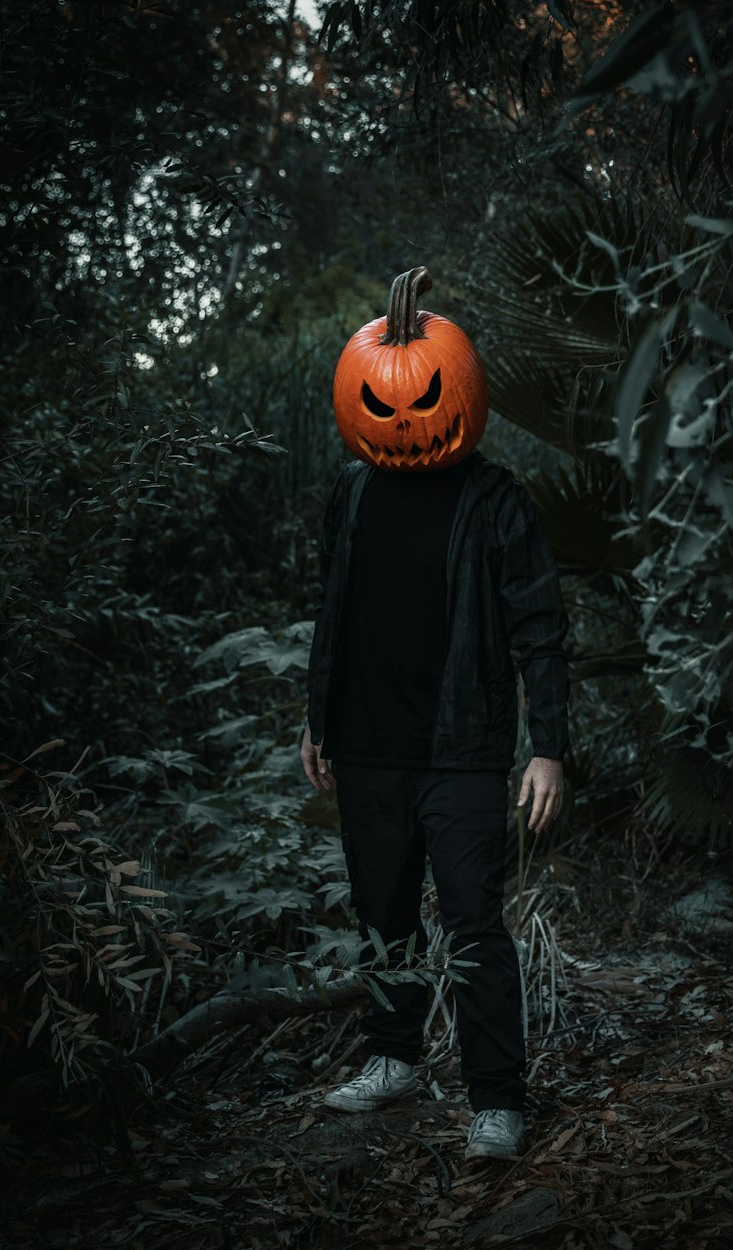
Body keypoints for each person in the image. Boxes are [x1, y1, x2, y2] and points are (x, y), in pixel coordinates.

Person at [300, 267, 569, 1161]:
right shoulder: (352, 491)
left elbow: (540, 627)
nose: (404, 416)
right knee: (382, 913)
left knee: (473, 922)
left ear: (461, 394)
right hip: (369, 744)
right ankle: (394, 1058)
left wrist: (548, 749)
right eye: (382, 401)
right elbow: (332, 605)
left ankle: (497, 1099)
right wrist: (317, 717)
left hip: (463, 747)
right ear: (359, 397)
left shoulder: (496, 501)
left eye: (421, 398)